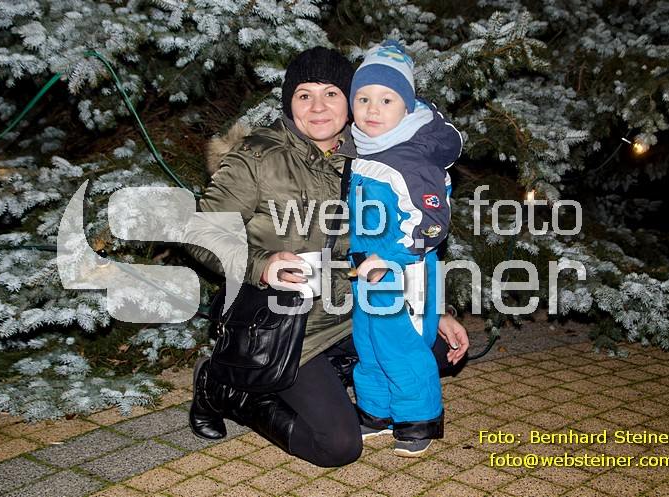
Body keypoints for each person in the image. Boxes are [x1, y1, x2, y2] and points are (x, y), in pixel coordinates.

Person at [185, 46, 469, 468]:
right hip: (290, 327)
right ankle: (225, 389)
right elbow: (199, 233)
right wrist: (262, 265)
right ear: (289, 103)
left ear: (350, 101)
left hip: (357, 310)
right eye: (304, 95)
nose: (318, 108)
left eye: (331, 94)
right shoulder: (257, 158)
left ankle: (332, 373)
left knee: (437, 351)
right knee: (337, 445)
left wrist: (431, 310)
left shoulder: (372, 151)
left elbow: (404, 238)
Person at [346, 40, 463, 457]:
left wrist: (392, 257)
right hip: (368, 272)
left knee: (402, 344)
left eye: (386, 99)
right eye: (363, 98)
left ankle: (418, 417)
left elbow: (432, 220)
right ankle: (377, 410)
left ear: (407, 106)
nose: (372, 109)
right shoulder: (367, 148)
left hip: (403, 270)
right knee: (370, 342)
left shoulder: (411, 158)